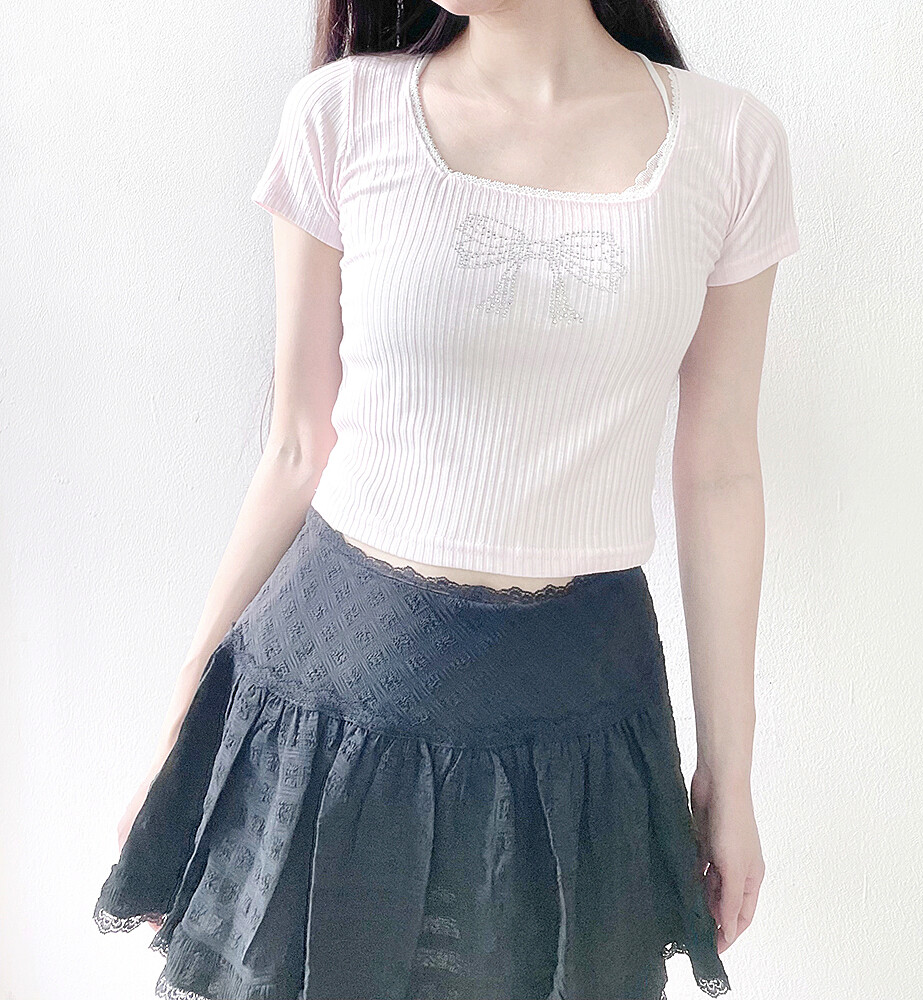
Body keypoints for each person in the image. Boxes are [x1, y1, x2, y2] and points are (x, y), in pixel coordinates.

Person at [92, 2, 800, 998]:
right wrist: (180, 728)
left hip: (575, 725)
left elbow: (719, 469)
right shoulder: (342, 113)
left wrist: (729, 772)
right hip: (329, 700)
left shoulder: (728, 144)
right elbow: (296, 446)